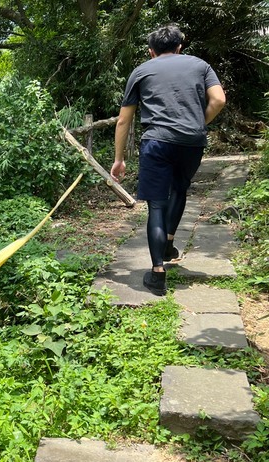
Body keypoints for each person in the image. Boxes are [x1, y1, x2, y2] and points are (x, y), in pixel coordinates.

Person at [110, 24, 226, 295]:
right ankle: (169, 243)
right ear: (179, 48)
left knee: (157, 207)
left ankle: (157, 273)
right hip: (192, 143)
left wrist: (119, 159)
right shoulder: (200, 65)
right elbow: (219, 100)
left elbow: (124, 119)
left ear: (151, 52)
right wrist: (198, 124)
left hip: (157, 142)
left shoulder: (141, 71)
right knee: (180, 188)